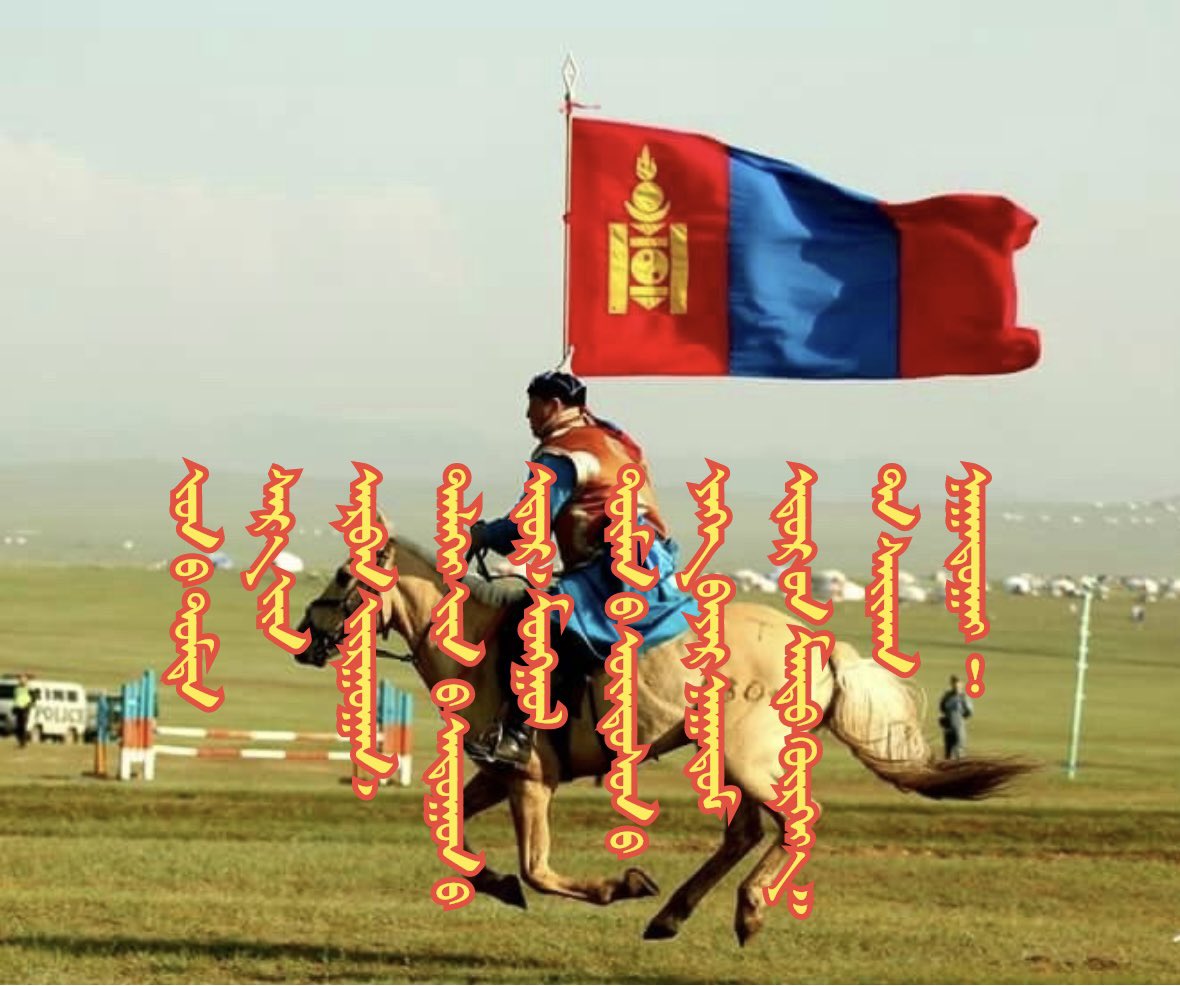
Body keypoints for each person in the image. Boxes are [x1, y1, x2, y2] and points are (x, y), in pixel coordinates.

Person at [464, 368, 697, 769]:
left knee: (534, 618)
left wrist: (484, 535)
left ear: (554, 406)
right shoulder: (612, 439)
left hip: (615, 566)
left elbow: (528, 526)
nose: (527, 417)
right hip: (649, 561)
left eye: (532, 407)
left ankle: (518, 735)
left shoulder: (563, 453)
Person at [938, 675, 973, 760]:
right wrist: (945, 719)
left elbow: (969, 712)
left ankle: (960, 768)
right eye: (954, 685)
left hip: (959, 726)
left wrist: (959, 719)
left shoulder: (963, 697)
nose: (956, 687)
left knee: (959, 749)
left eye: (958, 685)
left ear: (961, 685)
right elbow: (942, 708)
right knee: (948, 749)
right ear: (951, 685)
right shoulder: (947, 696)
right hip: (948, 726)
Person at [12, 674, 36, 748]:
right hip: (18, 708)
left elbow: (33, 698)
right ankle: (20, 742)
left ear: (26, 680)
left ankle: (23, 743)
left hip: (25, 708)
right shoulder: (16, 688)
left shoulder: (29, 688)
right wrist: (14, 707)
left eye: (23, 679)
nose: (21, 680)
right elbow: (16, 698)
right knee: (18, 727)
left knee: (23, 726)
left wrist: (29, 705)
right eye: (20, 679)